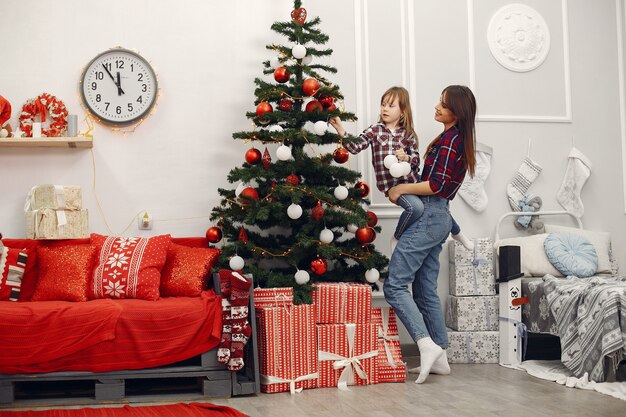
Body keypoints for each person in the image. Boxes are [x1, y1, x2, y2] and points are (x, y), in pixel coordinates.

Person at [384, 85, 477, 384]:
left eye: (444, 104)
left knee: (395, 286)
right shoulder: (454, 139)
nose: (437, 106)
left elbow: (435, 185)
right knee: (424, 289)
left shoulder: (451, 140)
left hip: (431, 214)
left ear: (457, 112)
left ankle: (425, 345)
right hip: (440, 218)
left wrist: (401, 188)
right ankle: (442, 358)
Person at [329, 86, 472, 252]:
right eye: (383, 104)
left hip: (411, 180)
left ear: (402, 111)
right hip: (392, 186)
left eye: (391, 106)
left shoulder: (408, 134)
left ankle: (457, 232)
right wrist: (340, 129)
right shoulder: (374, 130)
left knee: (435, 207)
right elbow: (354, 147)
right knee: (416, 208)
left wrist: (406, 158)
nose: (385, 109)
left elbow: (416, 162)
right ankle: (397, 236)